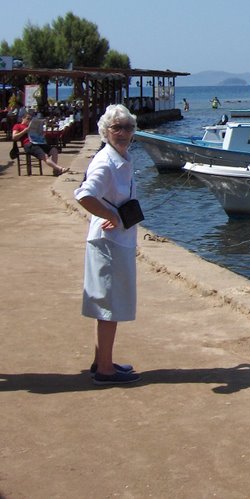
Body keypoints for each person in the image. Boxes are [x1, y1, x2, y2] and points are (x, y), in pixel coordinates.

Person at [73, 104, 142, 385]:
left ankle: (102, 361)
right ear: (106, 131)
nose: (123, 133)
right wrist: (110, 214)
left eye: (128, 127)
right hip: (109, 243)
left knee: (108, 305)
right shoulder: (106, 161)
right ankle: (104, 371)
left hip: (117, 241)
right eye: (117, 128)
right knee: (109, 306)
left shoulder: (121, 157)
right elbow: (84, 195)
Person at [11, 111, 67, 175]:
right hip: (29, 144)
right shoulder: (18, 126)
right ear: (22, 118)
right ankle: (60, 169)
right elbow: (14, 137)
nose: (29, 120)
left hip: (38, 142)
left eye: (30, 119)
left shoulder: (32, 126)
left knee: (54, 150)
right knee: (44, 155)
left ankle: (55, 170)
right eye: (28, 118)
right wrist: (25, 131)